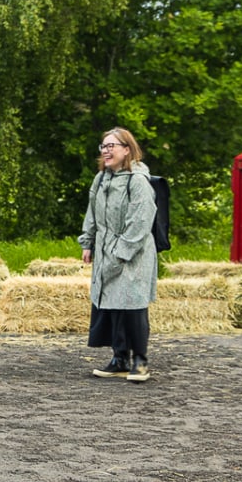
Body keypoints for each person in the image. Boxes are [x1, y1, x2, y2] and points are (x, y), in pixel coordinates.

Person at [80, 127, 159, 383]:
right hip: (106, 251)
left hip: (133, 254)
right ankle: (120, 359)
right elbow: (92, 213)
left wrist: (121, 253)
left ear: (127, 149)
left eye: (112, 145)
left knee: (133, 305)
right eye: (103, 146)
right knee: (112, 304)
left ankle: (140, 362)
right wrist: (88, 242)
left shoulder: (138, 181)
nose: (106, 151)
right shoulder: (101, 179)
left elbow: (141, 221)